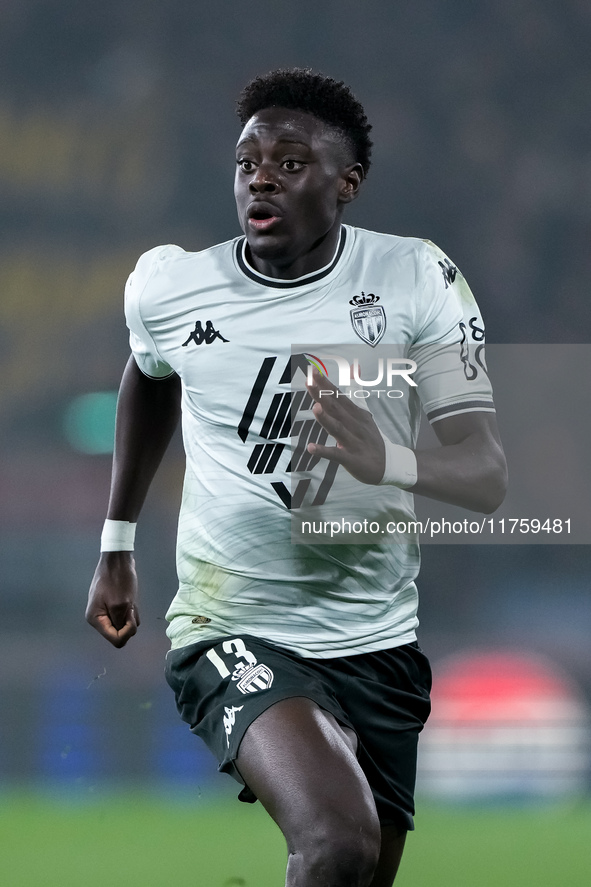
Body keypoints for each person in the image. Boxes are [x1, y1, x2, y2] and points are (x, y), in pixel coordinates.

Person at [86, 68, 507, 887]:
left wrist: (385, 460)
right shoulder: (171, 286)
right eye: (247, 162)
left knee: (351, 867)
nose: (260, 178)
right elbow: (150, 373)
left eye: (289, 161)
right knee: (335, 841)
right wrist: (116, 543)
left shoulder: (416, 279)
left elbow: (483, 472)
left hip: (377, 640)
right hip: (230, 621)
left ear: (345, 184)